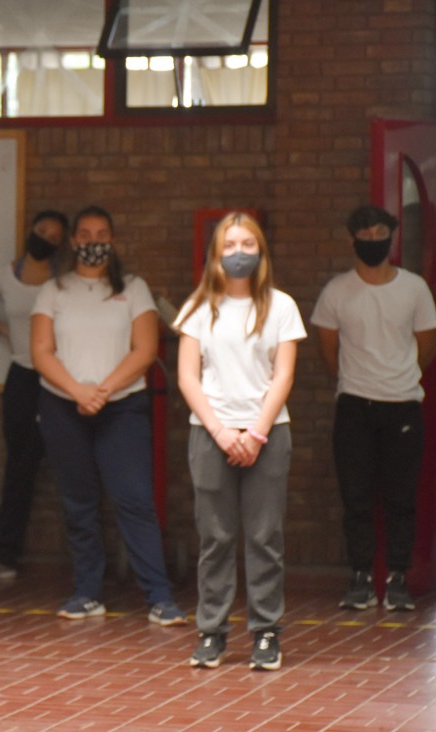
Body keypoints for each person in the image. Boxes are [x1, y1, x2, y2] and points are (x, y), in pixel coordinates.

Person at [30, 205, 186, 626]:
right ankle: (86, 592)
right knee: (78, 503)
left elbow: (145, 349)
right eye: (84, 233)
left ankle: (159, 597)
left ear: (112, 241)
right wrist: (78, 390)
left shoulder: (135, 288)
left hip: (122, 408)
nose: (92, 240)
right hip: (63, 405)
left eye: (101, 233)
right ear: (73, 240)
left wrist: (102, 391)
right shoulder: (53, 290)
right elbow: (41, 352)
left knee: (135, 500)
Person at [175, 212, 305, 671]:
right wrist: (222, 432)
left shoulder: (282, 306)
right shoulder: (196, 308)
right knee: (216, 537)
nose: (238, 253)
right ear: (214, 254)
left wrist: (256, 432)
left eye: (248, 244)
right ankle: (211, 632)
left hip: (267, 435)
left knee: (265, 536)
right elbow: (188, 378)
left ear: (262, 251)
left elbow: (284, 374)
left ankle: (266, 632)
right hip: (210, 435)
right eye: (229, 245)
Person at [310, 204, 436, 613]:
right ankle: (361, 578)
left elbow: (428, 347)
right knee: (357, 498)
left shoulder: (414, 288)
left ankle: (398, 578)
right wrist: (359, 380)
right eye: (364, 235)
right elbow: (329, 351)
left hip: (403, 405)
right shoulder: (336, 291)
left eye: (380, 233)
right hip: (354, 406)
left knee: (402, 497)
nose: (372, 241)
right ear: (353, 240)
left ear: (392, 237)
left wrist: (397, 378)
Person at [0, 210, 68, 582]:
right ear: (31, 232)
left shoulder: (64, 282)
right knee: (18, 470)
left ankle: (86, 563)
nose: (46, 238)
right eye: (42, 231)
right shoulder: (4, 275)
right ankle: (4, 555)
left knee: (71, 467)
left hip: (60, 379)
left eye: (55, 236)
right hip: (21, 378)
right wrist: (4, 330)